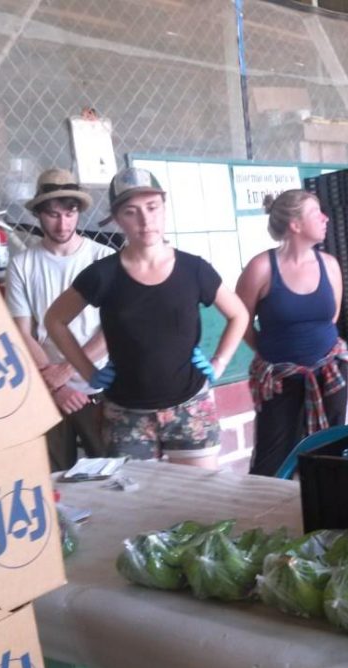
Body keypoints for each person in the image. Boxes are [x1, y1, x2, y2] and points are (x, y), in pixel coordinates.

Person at [45, 167, 248, 468]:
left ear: (164, 208)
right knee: (136, 506)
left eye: (152, 208)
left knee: (202, 504)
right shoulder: (104, 274)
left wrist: (219, 362)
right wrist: (88, 372)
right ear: (116, 218)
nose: (145, 220)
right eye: (131, 211)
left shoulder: (194, 270)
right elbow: (55, 321)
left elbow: (239, 314)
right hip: (126, 414)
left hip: (189, 405)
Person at [235, 189, 348, 476]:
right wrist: (271, 354)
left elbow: (331, 317)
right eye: (316, 213)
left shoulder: (330, 266)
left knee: (332, 452)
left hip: (330, 374)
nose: (325, 218)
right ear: (295, 225)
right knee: (271, 460)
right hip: (279, 380)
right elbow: (241, 321)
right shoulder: (261, 268)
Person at [5, 168, 114, 472]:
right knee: (54, 479)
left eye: (70, 212)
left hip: (96, 387)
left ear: (78, 213)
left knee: (111, 472)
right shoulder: (22, 265)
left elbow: (110, 331)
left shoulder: (103, 258)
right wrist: (55, 386)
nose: (62, 222)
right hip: (45, 388)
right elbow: (21, 332)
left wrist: (66, 371)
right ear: (39, 215)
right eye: (52, 214)